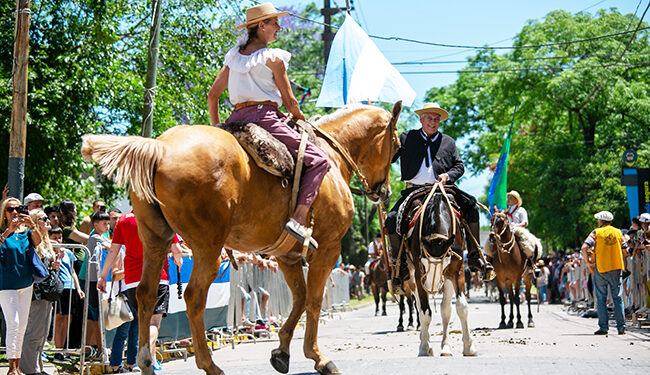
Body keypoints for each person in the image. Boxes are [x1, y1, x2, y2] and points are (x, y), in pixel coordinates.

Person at [207, 2, 329, 250]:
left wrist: (217, 128)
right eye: (275, 23)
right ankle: (298, 218)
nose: (279, 27)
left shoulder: (233, 57)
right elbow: (290, 100)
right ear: (261, 26)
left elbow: (212, 95)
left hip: (233, 120)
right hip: (265, 118)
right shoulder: (274, 58)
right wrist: (301, 118)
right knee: (320, 160)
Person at [384, 102, 493, 294]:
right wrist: (388, 136)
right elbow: (389, 157)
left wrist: (448, 176)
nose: (433, 122)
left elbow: (459, 166)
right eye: (429, 118)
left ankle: (475, 256)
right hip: (414, 191)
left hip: (444, 189)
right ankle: (399, 263)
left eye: (436, 119)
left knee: (472, 206)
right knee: (392, 218)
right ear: (421, 119)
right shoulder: (406, 137)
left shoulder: (448, 142)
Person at [97, 210, 183, 372]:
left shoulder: (123, 220)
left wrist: (103, 276)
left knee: (143, 321)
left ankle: (146, 358)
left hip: (132, 280)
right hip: (157, 276)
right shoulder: (161, 216)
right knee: (153, 323)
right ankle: (144, 354)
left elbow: (114, 251)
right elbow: (176, 249)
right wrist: (178, 261)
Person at [0, 198, 41, 375]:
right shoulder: (2, 231)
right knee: (14, 323)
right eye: (10, 209)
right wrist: (8, 231)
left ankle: (17, 366)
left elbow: (38, 242)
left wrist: (32, 225)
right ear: (4, 212)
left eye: (18, 208)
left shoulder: (25, 232)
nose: (15, 212)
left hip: (25, 284)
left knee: (22, 325)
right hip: (6, 284)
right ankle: (11, 367)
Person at [20, 209, 59, 375]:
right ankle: (29, 369)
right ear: (36, 222)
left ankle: (37, 367)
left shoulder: (46, 242)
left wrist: (53, 266)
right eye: (44, 219)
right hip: (36, 292)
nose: (48, 220)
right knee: (34, 331)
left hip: (46, 293)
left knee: (42, 332)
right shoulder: (32, 241)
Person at [580, 210, 627, 335]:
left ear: (601, 221)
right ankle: (621, 328)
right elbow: (626, 250)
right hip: (616, 268)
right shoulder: (618, 232)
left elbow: (584, 247)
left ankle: (604, 327)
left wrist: (588, 262)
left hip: (601, 268)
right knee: (618, 298)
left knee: (601, 298)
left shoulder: (596, 232)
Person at [80, 211, 112, 360]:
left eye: (108, 223)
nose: (107, 226)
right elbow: (111, 247)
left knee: (96, 316)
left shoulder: (103, 235)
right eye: (104, 223)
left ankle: (95, 347)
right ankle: (98, 347)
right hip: (91, 280)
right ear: (95, 225)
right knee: (96, 315)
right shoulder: (94, 237)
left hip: (97, 279)